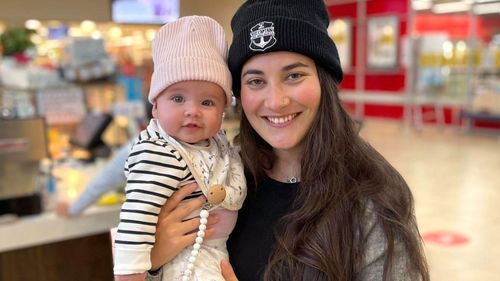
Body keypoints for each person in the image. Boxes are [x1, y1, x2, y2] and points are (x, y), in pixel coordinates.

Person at [148, 1, 430, 281]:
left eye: (294, 75)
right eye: (256, 81)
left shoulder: (372, 198)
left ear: (324, 80)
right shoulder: (223, 176)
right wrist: (153, 264)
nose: (276, 101)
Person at [113, 15, 246, 281]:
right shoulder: (161, 151)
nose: (192, 111)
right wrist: (131, 274)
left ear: (223, 111)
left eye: (207, 102)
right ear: (155, 106)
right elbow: (137, 216)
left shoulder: (215, 144)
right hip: (186, 263)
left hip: (212, 253)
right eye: (177, 98)